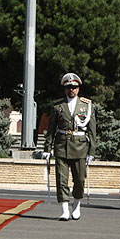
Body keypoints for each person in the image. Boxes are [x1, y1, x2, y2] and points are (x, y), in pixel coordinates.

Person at [43, 73, 96, 221]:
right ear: (64, 89)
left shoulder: (86, 105)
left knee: (79, 180)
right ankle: (65, 209)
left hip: (80, 147)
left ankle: (77, 204)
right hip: (61, 146)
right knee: (61, 180)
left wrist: (92, 151)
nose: (71, 90)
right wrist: (47, 149)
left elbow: (92, 130)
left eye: (74, 87)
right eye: (68, 87)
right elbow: (51, 129)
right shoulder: (58, 106)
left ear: (78, 89)